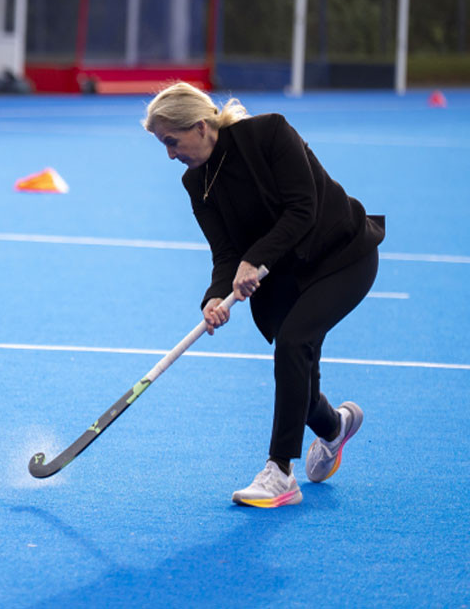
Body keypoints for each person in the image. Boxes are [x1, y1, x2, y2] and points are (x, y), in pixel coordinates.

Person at [142, 81, 384, 508]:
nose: (169, 154)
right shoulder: (195, 182)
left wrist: (254, 259)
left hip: (341, 255)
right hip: (284, 275)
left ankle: (280, 473)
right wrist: (214, 298)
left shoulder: (269, 133)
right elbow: (225, 253)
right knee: (300, 389)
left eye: (171, 141)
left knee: (293, 344)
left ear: (199, 126)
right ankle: (335, 427)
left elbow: (303, 208)